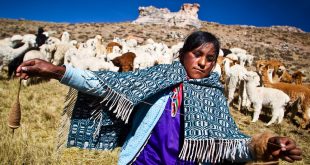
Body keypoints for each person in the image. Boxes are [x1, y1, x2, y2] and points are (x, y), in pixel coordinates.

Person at [16, 31, 302, 164]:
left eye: (210, 59)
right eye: (197, 54)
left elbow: (226, 145)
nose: (203, 62)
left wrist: (264, 146)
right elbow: (105, 83)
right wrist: (55, 70)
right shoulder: (157, 78)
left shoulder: (214, 96)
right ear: (183, 55)